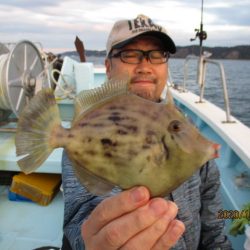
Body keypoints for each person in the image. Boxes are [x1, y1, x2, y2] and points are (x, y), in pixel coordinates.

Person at [61, 14, 232, 250]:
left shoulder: (187, 128)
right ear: (108, 67)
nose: (145, 67)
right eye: (129, 54)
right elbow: (80, 219)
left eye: (157, 55)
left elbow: (214, 224)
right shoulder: (90, 134)